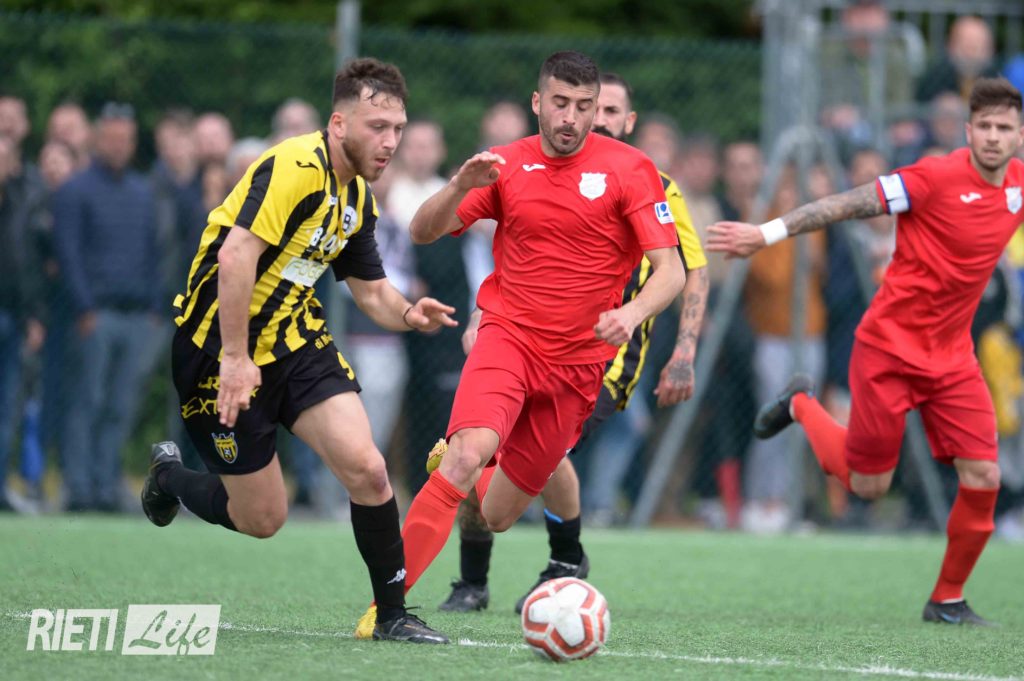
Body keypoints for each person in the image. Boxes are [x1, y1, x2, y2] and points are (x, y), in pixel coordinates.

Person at [355, 51, 685, 636]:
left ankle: (468, 463)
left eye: (584, 106)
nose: (571, 118)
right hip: (507, 338)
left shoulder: (633, 170)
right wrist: (459, 185)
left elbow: (672, 271)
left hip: (578, 367)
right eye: (560, 103)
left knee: (498, 513)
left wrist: (632, 312)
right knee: (465, 456)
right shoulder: (504, 164)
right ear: (538, 102)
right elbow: (424, 230)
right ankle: (388, 609)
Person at [139, 58, 453, 644]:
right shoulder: (294, 166)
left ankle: (391, 615)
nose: (390, 142)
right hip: (216, 350)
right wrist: (236, 360)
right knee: (263, 518)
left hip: (296, 344)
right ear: (339, 124)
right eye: (377, 127)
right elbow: (235, 256)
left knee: (369, 470)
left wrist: (410, 312)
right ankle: (169, 476)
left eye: (398, 129)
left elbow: (371, 292)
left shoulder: (357, 199)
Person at [706, 77, 1024, 626]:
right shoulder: (932, 177)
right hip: (889, 351)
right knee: (868, 485)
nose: (994, 137)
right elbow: (844, 204)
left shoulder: (1017, 183)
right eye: (985, 127)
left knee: (984, 477)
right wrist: (766, 233)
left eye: (1005, 128)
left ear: (1019, 136)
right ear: (969, 131)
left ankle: (947, 599)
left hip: (953, 359)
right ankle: (801, 405)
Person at [437, 71, 709, 612]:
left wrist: (684, 351)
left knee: (536, 453)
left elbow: (689, 270)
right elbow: (524, 265)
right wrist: (481, 317)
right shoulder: (536, 168)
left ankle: (561, 559)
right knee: (480, 449)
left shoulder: (652, 181)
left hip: (606, 360)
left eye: (609, 111)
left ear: (627, 122)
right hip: (526, 343)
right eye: (589, 108)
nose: (595, 119)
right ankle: (478, 578)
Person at [54, 102, 161, 512]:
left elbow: (153, 252)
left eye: (125, 139)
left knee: (120, 405)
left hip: (136, 317)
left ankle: (106, 485)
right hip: (95, 316)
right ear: (98, 139)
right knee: (87, 401)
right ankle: (79, 487)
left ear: (133, 143)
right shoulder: (75, 190)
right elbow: (69, 255)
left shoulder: (142, 192)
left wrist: (153, 308)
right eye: (112, 138)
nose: (118, 146)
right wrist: (84, 308)